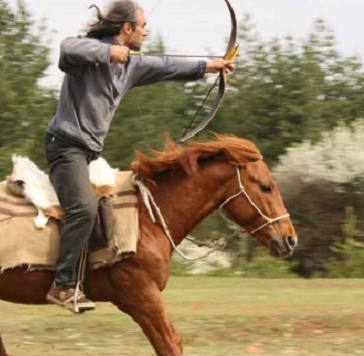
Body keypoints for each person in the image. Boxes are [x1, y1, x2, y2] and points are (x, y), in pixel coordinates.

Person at [44, 0, 235, 313]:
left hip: (88, 153)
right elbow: (67, 48)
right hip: (65, 147)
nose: (147, 32)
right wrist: (107, 52)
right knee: (83, 209)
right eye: (142, 26)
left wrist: (212, 66)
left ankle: (96, 277)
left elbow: (167, 65)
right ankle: (63, 285)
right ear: (127, 28)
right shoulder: (87, 54)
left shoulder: (130, 66)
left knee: (114, 209)